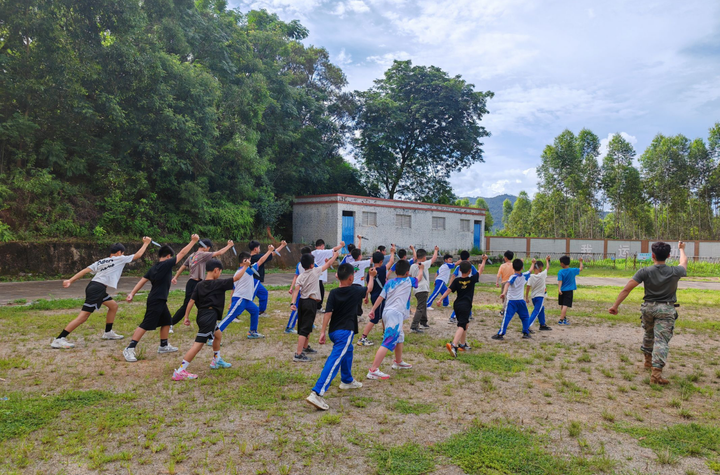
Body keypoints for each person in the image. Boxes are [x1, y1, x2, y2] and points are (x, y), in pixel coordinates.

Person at [51, 237, 152, 349]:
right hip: (97, 289)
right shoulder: (120, 258)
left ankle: (108, 332)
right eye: (122, 253)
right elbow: (137, 255)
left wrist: (70, 280)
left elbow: (85, 270)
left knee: (113, 306)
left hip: (94, 286)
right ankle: (59, 339)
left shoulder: (101, 261)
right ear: (119, 253)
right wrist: (146, 243)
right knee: (83, 316)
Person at [609, 242, 688, 385]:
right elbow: (684, 262)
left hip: (648, 308)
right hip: (666, 309)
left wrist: (615, 306)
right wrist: (681, 249)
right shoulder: (675, 271)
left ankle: (648, 361)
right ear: (669, 256)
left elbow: (627, 289)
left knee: (648, 334)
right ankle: (656, 374)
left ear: (652, 255)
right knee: (661, 341)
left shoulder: (644, 271)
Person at [123, 235, 200, 362]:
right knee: (146, 324)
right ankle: (129, 348)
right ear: (169, 256)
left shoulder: (154, 268)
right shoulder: (166, 264)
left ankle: (163, 345)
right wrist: (193, 241)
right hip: (156, 300)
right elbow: (182, 253)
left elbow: (142, 281)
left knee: (166, 321)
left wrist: (132, 293)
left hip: (159, 299)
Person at [305, 263, 372, 410]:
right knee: (335, 360)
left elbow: (328, 313)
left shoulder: (334, 292)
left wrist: (322, 332)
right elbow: (369, 289)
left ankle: (347, 380)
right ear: (351, 278)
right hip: (345, 331)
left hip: (334, 331)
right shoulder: (355, 290)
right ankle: (317, 393)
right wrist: (371, 277)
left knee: (348, 350)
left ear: (337, 277)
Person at [172, 258, 251, 380]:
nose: (220, 274)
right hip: (209, 317)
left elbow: (191, 301)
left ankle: (216, 360)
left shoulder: (199, 285)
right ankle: (180, 371)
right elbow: (236, 278)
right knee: (198, 344)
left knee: (218, 334)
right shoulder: (218, 284)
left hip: (204, 316)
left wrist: (186, 317)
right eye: (220, 271)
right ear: (216, 270)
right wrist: (245, 266)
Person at [366, 259, 419, 380]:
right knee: (388, 340)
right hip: (394, 314)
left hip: (387, 312)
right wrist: (420, 270)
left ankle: (398, 362)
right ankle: (373, 370)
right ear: (407, 272)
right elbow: (419, 279)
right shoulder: (409, 280)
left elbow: (381, 296)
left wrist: (373, 309)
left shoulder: (389, 282)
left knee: (399, 336)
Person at [170, 239, 235, 331]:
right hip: (195, 283)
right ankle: (170, 324)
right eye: (208, 248)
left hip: (192, 283)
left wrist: (176, 277)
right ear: (206, 247)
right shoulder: (202, 255)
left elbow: (183, 266)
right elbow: (219, 252)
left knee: (203, 304)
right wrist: (229, 245)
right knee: (187, 305)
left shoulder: (192, 255)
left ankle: (211, 322)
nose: (208, 250)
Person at [290, 249, 340, 362]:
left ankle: (305, 347)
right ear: (312, 264)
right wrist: (335, 255)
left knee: (306, 325)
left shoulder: (300, 276)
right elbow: (328, 264)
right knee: (304, 329)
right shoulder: (315, 271)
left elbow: (296, 290)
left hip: (302, 302)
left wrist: (293, 303)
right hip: (310, 303)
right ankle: (298, 354)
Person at [217, 246, 275, 340]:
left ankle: (252, 332)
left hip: (246, 299)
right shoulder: (247, 270)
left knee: (255, 310)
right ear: (245, 261)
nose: (251, 262)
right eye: (250, 260)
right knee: (230, 317)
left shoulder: (240, 271)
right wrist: (269, 251)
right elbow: (261, 261)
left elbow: (233, 289)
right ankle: (213, 335)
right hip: (240, 299)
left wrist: (231, 301)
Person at [437, 256, 488, 357]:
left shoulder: (456, 280)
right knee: (461, 326)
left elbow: (448, 290)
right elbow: (481, 270)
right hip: (465, 306)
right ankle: (453, 345)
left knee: (465, 324)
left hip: (457, 305)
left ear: (459, 270)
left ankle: (462, 344)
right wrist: (484, 260)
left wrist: (440, 299)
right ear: (470, 271)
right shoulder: (472, 279)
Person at [357, 246, 396, 347]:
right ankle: (363, 338)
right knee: (375, 318)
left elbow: (368, 285)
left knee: (384, 314)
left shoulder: (370, 271)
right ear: (382, 261)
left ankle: (385, 333)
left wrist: (366, 296)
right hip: (380, 297)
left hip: (373, 296)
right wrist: (392, 252)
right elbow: (391, 262)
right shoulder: (382, 269)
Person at [492, 259, 532, 341]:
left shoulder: (513, 277)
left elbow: (507, 283)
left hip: (512, 301)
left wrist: (503, 292)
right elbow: (530, 270)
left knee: (507, 317)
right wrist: (533, 263)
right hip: (521, 301)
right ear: (522, 267)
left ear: (513, 268)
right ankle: (526, 332)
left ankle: (501, 334)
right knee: (525, 317)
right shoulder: (524, 276)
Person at [249, 239, 287, 317]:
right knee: (248, 298)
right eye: (259, 248)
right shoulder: (255, 257)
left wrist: (281, 246)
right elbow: (271, 254)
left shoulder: (256, 256)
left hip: (257, 281)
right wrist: (279, 247)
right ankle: (235, 314)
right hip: (253, 280)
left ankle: (261, 312)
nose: (259, 249)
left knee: (264, 293)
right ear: (256, 249)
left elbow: (271, 254)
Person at [409, 246, 439, 333]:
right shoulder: (424, 264)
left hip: (416, 289)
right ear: (424, 257)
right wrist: (436, 250)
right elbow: (434, 258)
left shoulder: (412, 266)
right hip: (423, 289)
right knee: (420, 308)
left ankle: (423, 322)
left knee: (423, 305)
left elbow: (410, 277)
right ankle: (414, 326)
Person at [285, 246, 313, 334]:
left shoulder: (299, 264)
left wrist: (291, 287)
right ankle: (289, 327)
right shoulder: (312, 265)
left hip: (306, 290)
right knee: (297, 308)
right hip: (303, 290)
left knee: (308, 308)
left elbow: (296, 276)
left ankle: (309, 323)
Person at [446, 250, 479, 324]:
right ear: (468, 258)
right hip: (467, 285)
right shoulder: (471, 266)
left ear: (460, 258)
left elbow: (453, 276)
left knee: (466, 300)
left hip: (459, 285)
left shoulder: (458, 267)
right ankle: (453, 317)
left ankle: (469, 314)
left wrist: (450, 285)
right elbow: (476, 274)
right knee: (464, 301)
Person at [312, 240, 344, 311]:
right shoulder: (323, 252)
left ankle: (315, 306)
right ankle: (318, 306)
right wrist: (341, 245)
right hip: (320, 274)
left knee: (315, 291)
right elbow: (334, 249)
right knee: (320, 290)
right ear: (322, 246)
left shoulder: (312, 252)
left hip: (313, 274)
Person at [525, 256, 553, 332]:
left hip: (533, 297)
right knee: (536, 311)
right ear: (540, 268)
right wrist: (547, 260)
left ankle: (542, 324)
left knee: (541, 309)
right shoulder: (542, 275)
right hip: (540, 297)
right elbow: (547, 267)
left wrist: (526, 297)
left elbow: (528, 287)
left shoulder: (531, 276)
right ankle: (527, 326)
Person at [557, 256, 584, 325]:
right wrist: (580, 261)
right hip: (569, 291)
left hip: (562, 290)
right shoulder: (573, 270)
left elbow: (560, 281)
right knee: (566, 305)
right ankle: (561, 319)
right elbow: (581, 269)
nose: (560, 264)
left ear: (562, 263)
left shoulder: (560, 272)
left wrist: (559, 289)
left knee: (563, 305)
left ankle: (564, 318)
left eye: (560, 263)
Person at [496, 250, 515, 317]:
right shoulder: (513, 265)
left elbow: (498, 275)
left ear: (506, 257)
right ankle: (507, 309)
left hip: (504, 283)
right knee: (508, 297)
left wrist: (497, 282)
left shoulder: (502, 266)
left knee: (505, 297)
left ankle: (503, 311)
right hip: (511, 283)